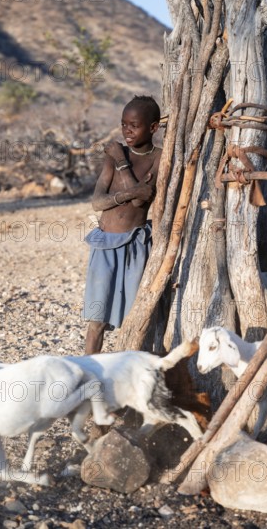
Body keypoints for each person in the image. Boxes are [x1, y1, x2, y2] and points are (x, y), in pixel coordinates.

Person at [83, 95, 162, 354]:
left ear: (153, 127)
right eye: (123, 124)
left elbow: (142, 204)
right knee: (96, 318)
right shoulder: (114, 154)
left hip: (135, 247)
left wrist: (121, 162)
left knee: (134, 315)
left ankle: (129, 371)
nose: (126, 131)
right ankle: (87, 373)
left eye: (134, 125)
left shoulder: (159, 159)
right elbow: (97, 202)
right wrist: (130, 192)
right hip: (105, 244)